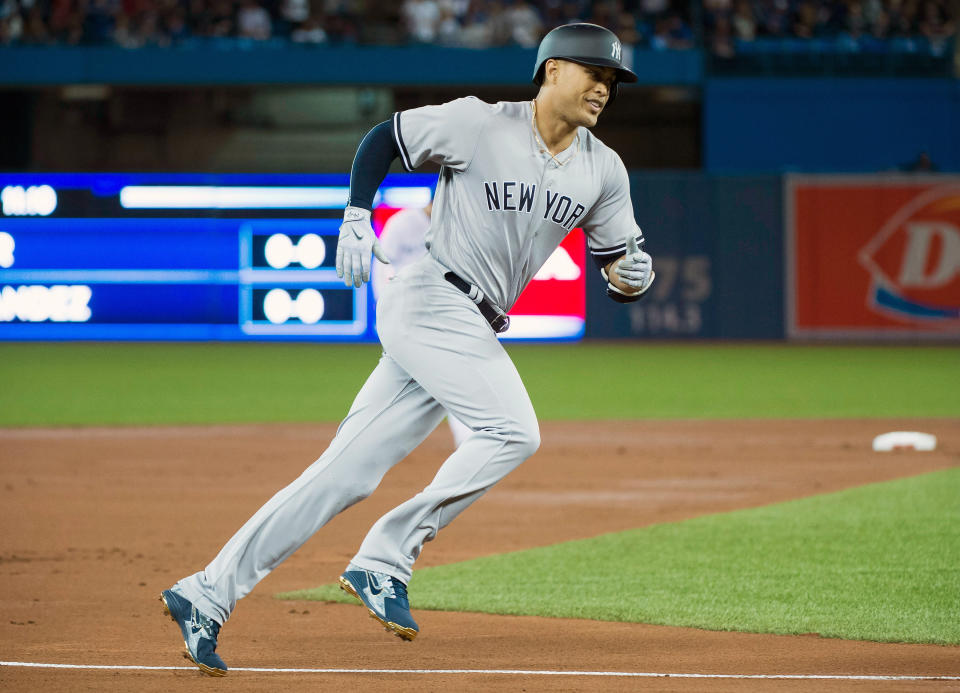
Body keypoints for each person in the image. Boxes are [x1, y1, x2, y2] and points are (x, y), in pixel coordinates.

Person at [160, 22, 655, 677]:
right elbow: (382, 139)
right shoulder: (480, 123)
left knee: (343, 475)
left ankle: (205, 592)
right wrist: (357, 214)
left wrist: (627, 279)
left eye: (613, 81)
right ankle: (384, 558)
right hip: (431, 294)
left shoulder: (603, 168)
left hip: (468, 323)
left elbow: (618, 263)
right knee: (512, 431)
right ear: (552, 69)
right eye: (594, 73)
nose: (603, 88)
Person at [372, 197, 473, 447]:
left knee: (458, 378)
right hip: (403, 314)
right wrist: (384, 309)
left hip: (439, 316)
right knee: (396, 382)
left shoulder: (453, 228)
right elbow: (381, 266)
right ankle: (379, 437)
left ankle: (467, 440)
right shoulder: (403, 223)